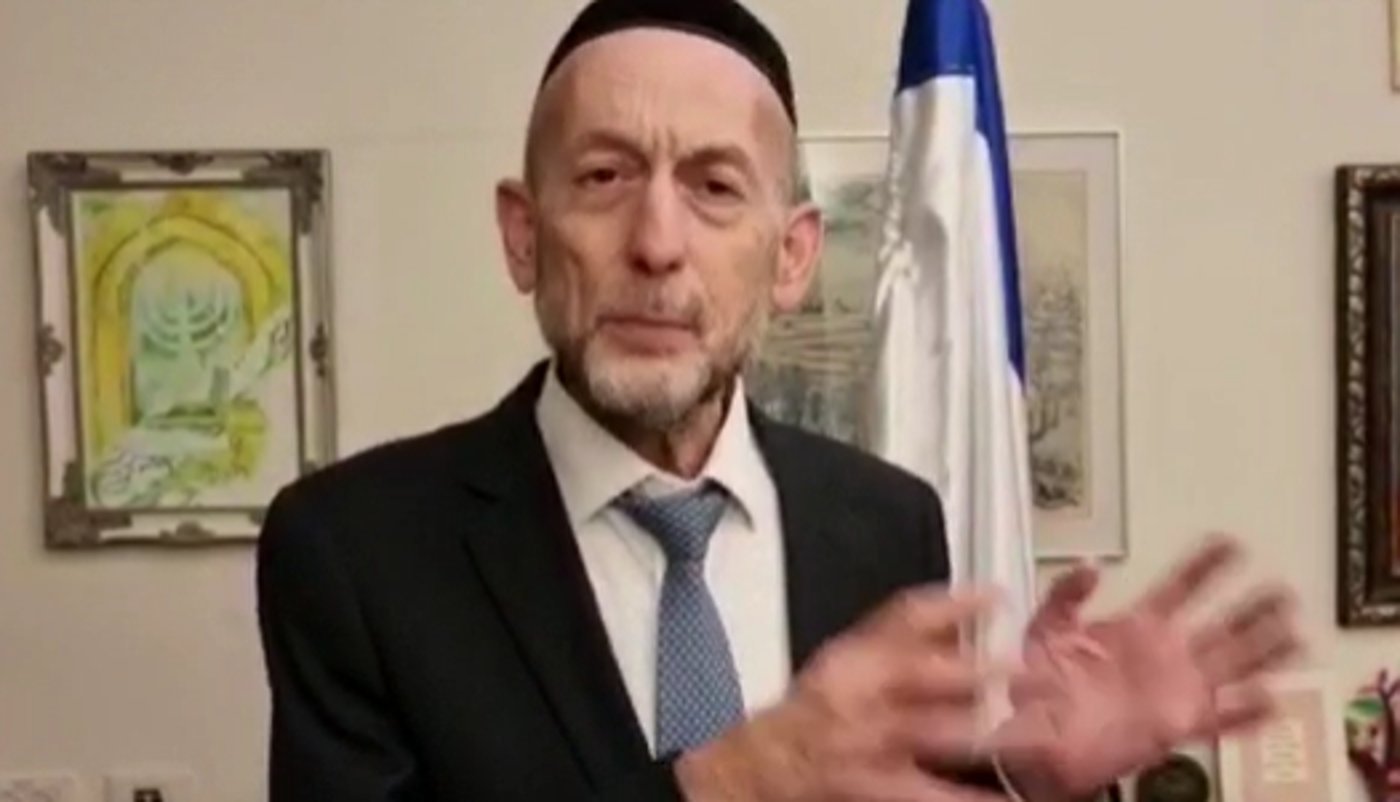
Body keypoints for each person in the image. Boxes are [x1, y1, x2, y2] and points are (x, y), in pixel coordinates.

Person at [255, 1, 1303, 800]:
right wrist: (730, 781)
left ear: (791, 256)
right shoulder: (355, 551)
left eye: (714, 187)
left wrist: (1027, 776)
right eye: (606, 177)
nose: (656, 244)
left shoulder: (886, 520)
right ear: (523, 235)